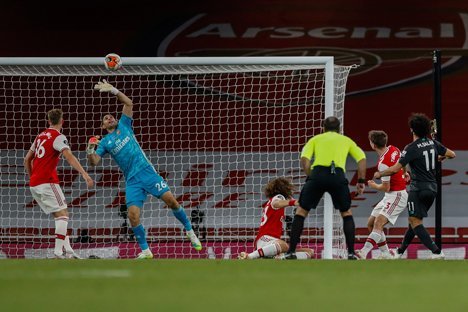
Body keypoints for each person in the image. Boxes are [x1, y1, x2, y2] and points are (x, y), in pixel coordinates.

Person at [87, 80, 202, 259]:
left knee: (172, 201)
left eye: (111, 116)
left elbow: (128, 103)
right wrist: (89, 149)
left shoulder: (124, 125)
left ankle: (189, 230)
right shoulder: (104, 143)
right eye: (106, 118)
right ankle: (146, 251)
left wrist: (113, 90)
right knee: (133, 216)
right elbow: (94, 162)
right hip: (132, 181)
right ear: (103, 126)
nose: (110, 118)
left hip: (147, 172)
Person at [281, 116, 367, 260]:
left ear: (323, 128)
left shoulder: (315, 139)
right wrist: (361, 180)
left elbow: (305, 160)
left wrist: (311, 176)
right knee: (346, 213)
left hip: (318, 174)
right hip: (337, 175)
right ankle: (351, 253)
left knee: (301, 211)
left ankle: (291, 252)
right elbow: (361, 159)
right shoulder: (346, 140)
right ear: (339, 129)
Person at [373, 113, 456, 259]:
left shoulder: (411, 148)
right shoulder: (434, 143)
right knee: (415, 220)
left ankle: (436, 252)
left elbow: (395, 168)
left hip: (418, 188)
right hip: (432, 188)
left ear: (412, 130)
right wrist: (441, 157)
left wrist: (380, 174)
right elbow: (452, 154)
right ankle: (400, 252)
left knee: (414, 221)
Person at [24, 109, 94, 259]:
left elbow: (27, 159)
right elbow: (69, 156)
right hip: (47, 182)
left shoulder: (40, 136)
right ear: (62, 121)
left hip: (35, 183)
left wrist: (33, 178)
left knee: (59, 216)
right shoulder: (58, 137)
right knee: (63, 215)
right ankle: (57, 252)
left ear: (49, 121)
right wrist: (84, 173)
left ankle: (68, 251)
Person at [356, 130, 408, 260]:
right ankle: (385, 253)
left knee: (378, 222)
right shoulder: (394, 149)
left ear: (372, 144)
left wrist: (374, 186)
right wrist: (405, 172)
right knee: (371, 223)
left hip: (397, 195)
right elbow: (404, 162)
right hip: (390, 195)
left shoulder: (383, 164)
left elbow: (386, 187)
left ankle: (363, 252)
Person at [238, 177, 314, 260]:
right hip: (265, 239)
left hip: (272, 242)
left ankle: (279, 257)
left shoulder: (276, 208)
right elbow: (276, 203)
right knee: (284, 245)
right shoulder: (278, 197)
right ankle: (250, 256)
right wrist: (294, 202)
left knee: (309, 251)